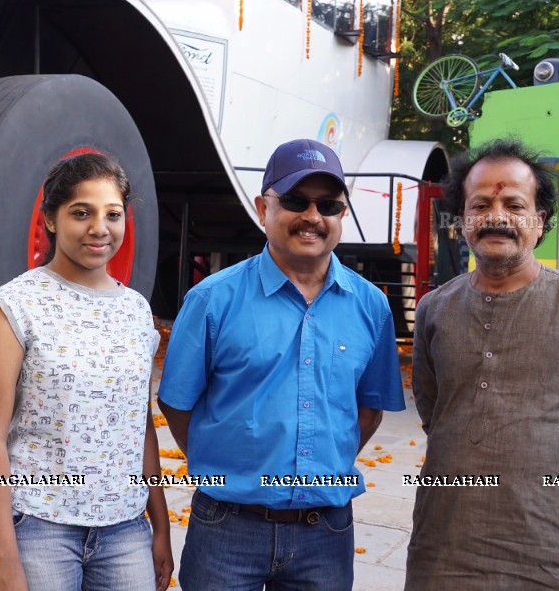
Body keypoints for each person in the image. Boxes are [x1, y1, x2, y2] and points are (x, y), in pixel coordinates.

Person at [158, 138, 405, 591]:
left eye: (328, 204)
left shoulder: (372, 306)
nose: (313, 216)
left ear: (341, 214)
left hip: (325, 536)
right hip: (227, 528)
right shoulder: (212, 300)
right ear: (262, 207)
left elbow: (369, 409)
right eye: (295, 200)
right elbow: (177, 404)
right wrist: (227, 465)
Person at [405, 138, 559, 590]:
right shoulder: (435, 309)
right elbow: (436, 411)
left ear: (540, 221)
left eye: (514, 204)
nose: (497, 217)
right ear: (463, 220)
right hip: (445, 544)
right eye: (481, 204)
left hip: (551, 551)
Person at [0, 152, 172, 591]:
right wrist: (6, 559)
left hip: (124, 531)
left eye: (112, 214)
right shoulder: (14, 308)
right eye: (82, 213)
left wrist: (161, 527)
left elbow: (141, 426)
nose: (100, 228)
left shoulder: (137, 311)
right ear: (52, 218)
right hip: (37, 527)